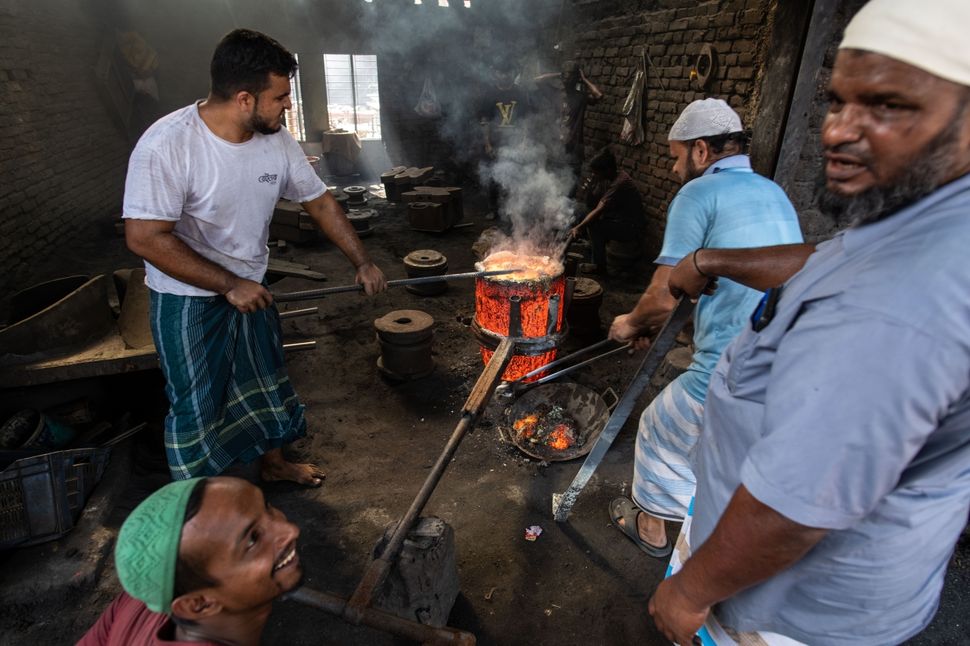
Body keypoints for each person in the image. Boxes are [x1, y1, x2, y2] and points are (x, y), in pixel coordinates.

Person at [650, 1, 970, 643]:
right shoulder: (925, 219)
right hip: (858, 588)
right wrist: (710, 260)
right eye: (838, 102)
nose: (836, 131)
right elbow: (827, 258)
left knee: (661, 423)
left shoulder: (901, 302)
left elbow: (793, 509)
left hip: (790, 611)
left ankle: (652, 517)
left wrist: (689, 590)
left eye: (887, 106)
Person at [123, 29, 387, 486]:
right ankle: (200, 504)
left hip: (251, 285)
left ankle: (275, 465)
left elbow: (320, 201)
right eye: (281, 96)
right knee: (198, 402)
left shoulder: (276, 140)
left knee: (265, 379)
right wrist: (229, 285)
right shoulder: (167, 144)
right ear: (244, 98)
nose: (288, 106)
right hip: (188, 298)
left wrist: (361, 261)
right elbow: (145, 237)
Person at [606, 99, 803, 558]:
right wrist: (663, 328)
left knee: (659, 426)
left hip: (736, 363)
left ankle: (654, 529)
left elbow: (662, 295)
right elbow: (720, 285)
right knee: (724, 445)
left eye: (676, 157)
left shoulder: (697, 194)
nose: (674, 170)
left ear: (699, 151)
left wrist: (629, 324)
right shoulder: (773, 191)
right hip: (790, 359)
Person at [79, 477, 301, 645]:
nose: (291, 530)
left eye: (267, 507)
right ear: (198, 604)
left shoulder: (135, 601)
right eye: (252, 539)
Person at [569, 147, 645, 274]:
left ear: (607, 170)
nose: (594, 175)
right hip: (618, 219)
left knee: (594, 226)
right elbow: (592, 202)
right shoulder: (611, 178)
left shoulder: (619, 183)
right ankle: (595, 246)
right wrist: (593, 185)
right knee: (584, 212)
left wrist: (578, 227)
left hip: (630, 227)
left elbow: (599, 209)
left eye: (596, 173)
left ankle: (599, 267)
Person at [536, 61, 603, 197]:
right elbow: (537, 80)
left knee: (571, 188)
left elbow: (599, 95)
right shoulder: (554, 93)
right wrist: (559, 74)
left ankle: (567, 215)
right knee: (553, 187)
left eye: (571, 75)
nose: (567, 78)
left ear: (576, 78)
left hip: (574, 149)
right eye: (565, 75)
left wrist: (584, 80)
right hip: (555, 149)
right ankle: (554, 214)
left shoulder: (581, 96)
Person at [478, 60, 532, 220]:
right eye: (501, 72)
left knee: (514, 176)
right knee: (492, 176)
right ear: (496, 74)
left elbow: (526, 121)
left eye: (507, 72)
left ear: (512, 73)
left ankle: (511, 209)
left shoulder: (520, 93)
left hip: (513, 142)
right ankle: (493, 209)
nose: (504, 75)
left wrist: (523, 141)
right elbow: (485, 121)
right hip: (495, 142)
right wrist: (487, 143)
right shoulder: (489, 95)